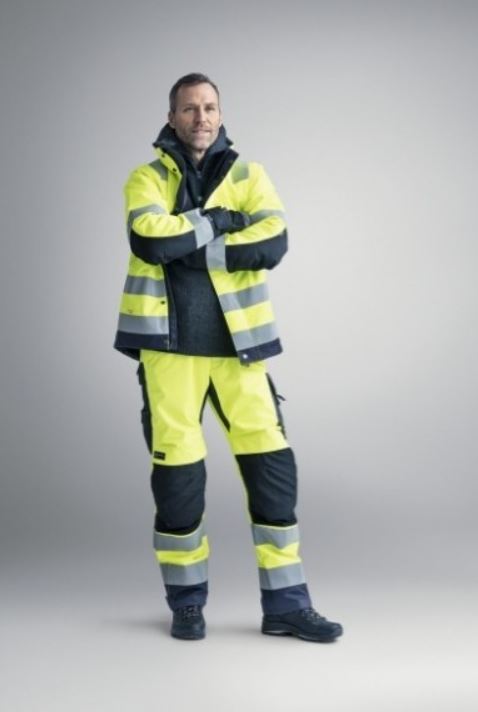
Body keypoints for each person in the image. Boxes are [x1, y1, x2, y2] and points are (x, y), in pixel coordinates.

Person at [114, 72, 343, 643]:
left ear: (221, 114)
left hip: (241, 351)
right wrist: (219, 221)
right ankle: (187, 604)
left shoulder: (249, 175)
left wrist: (187, 244)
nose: (202, 118)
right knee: (179, 482)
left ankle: (287, 605)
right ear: (172, 118)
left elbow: (273, 243)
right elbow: (150, 240)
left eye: (210, 107)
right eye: (190, 108)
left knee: (273, 472)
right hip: (170, 351)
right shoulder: (146, 178)